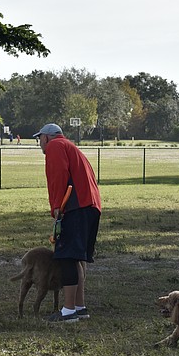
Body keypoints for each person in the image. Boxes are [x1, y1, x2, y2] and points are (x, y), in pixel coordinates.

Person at [33, 123, 102, 323]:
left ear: (46, 138)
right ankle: (80, 307)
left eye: (40, 139)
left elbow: (58, 176)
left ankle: (68, 310)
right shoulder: (73, 147)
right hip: (90, 207)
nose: (40, 144)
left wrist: (56, 206)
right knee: (77, 258)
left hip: (75, 207)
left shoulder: (56, 146)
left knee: (68, 257)